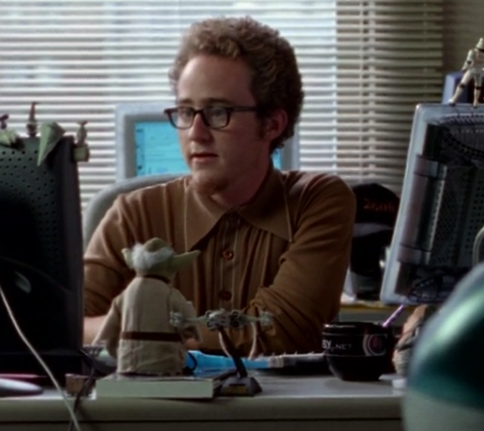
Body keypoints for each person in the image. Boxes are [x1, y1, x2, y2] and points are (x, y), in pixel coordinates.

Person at [83, 16, 356, 356]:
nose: (195, 133)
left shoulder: (317, 200)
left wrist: (140, 324)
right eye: (185, 112)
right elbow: (68, 328)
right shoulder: (132, 214)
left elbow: (283, 333)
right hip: (154, 409)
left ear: (272, 123)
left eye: (217, 112)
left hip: (280, 410)